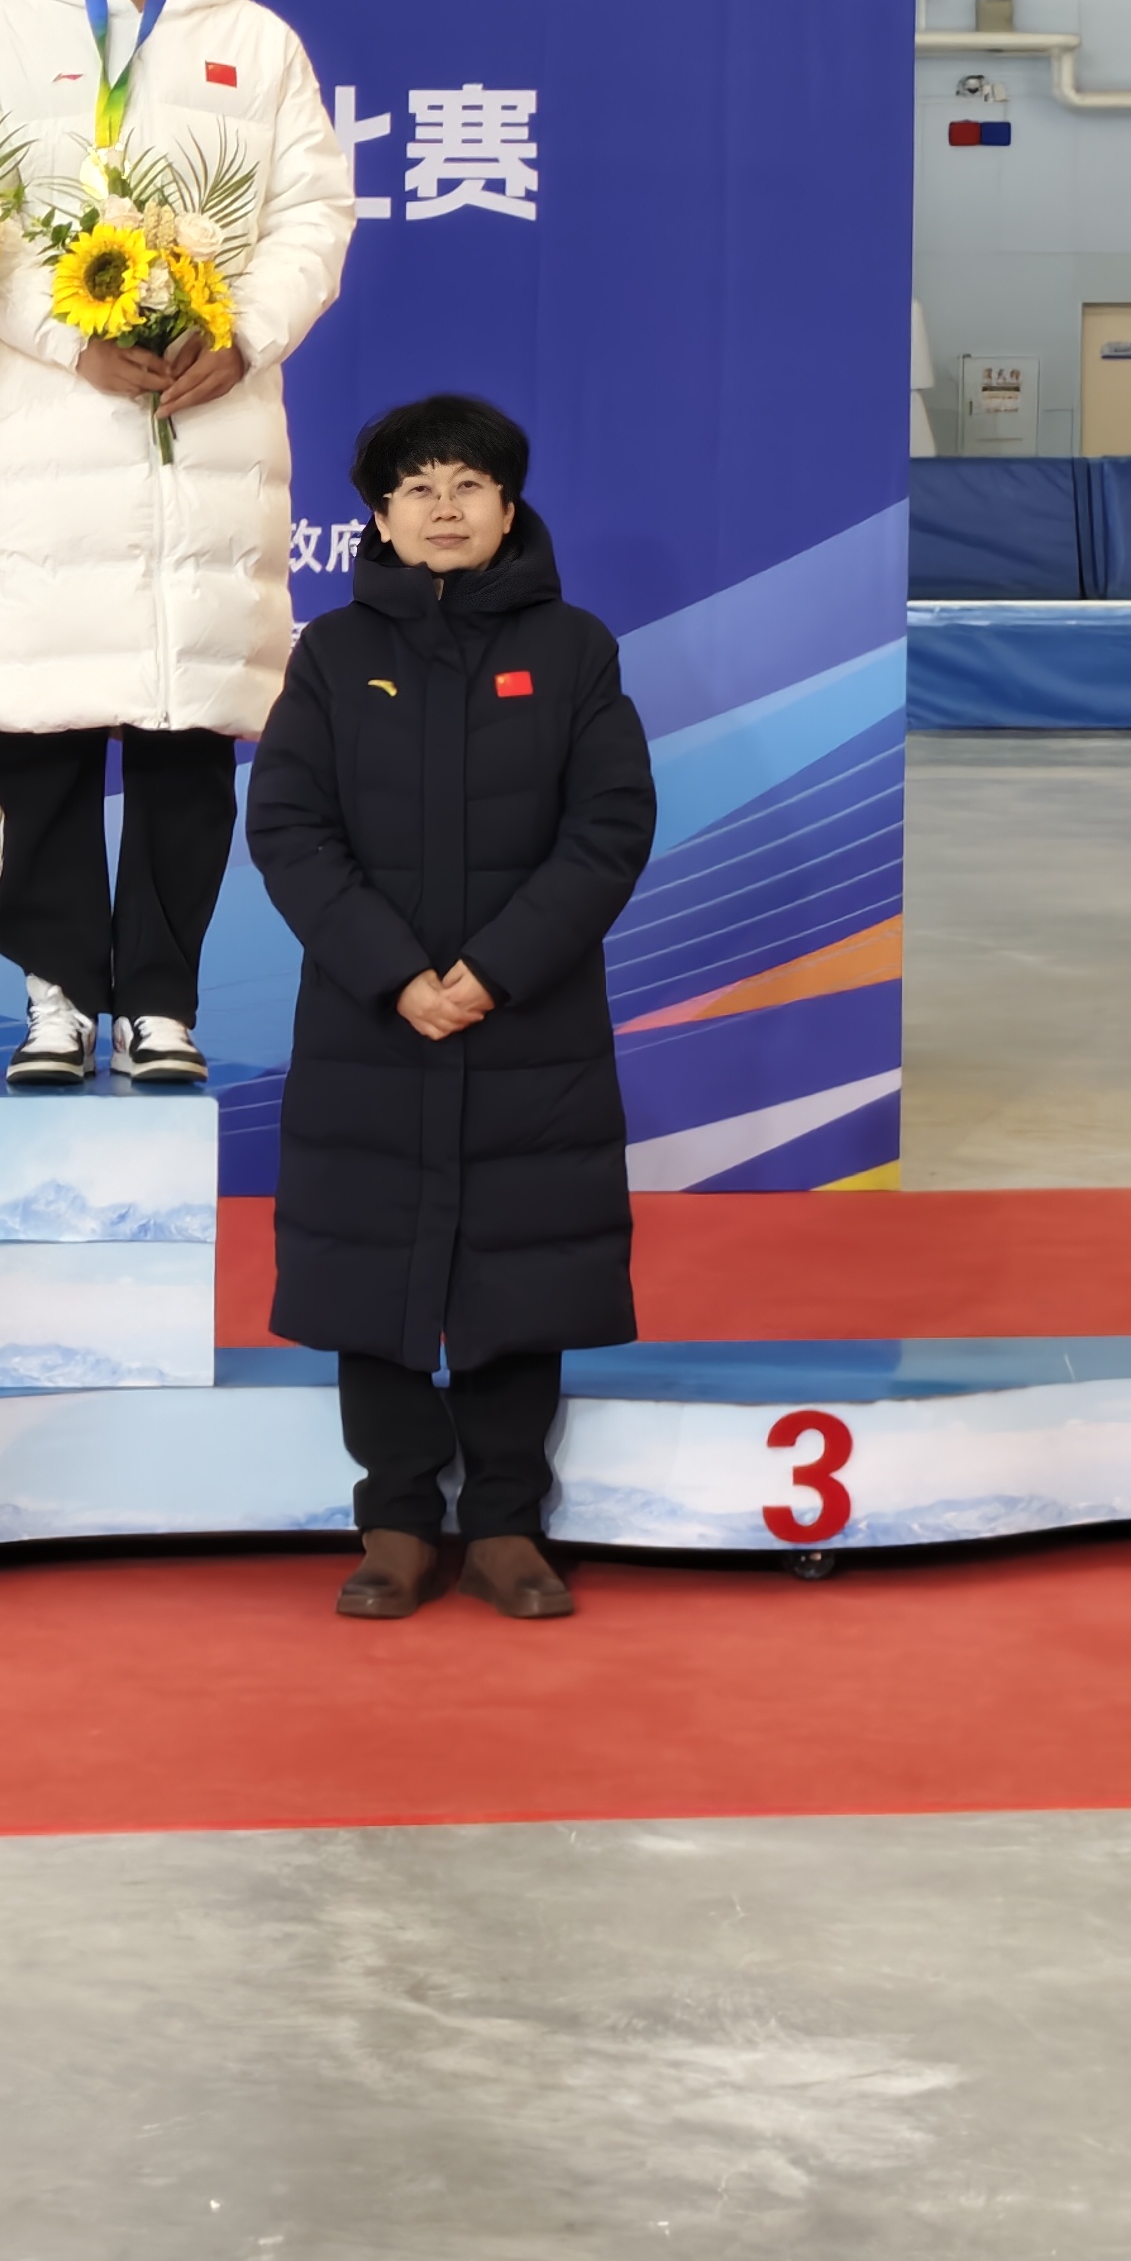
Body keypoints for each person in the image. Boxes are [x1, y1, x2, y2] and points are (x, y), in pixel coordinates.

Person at [0, 0, 356, 1091]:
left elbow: (311, 213)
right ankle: (56, 998)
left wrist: (247, 335)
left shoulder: (257, 41)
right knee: (47, 732)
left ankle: (162, 1002)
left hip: (208, 431)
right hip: (54, 431)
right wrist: (70, 339)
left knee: (185, 733)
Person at [246, 395, 655, 1624]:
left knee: (522, 1269)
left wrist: (493, 970)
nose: (442, 507)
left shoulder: (574, 649)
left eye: (467, 485)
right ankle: (396, 1522)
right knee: (369, 1271)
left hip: (528, 1023)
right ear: (378, 518)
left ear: (506, 509)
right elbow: (288, 828)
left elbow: (609, 827)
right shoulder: (330, 656)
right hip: (370, 1023)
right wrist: (395, 975)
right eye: (415, 488)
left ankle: (507, 1525)